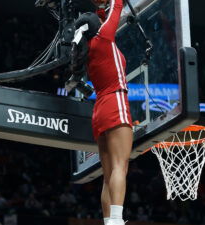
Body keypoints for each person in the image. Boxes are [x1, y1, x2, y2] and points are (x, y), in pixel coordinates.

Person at [74, 0, 133, 224]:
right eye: (100, 20)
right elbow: (117, 5)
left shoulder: (89, 49)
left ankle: (109, 221)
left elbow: (103, 14)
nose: (103, 20)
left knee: (108, 176)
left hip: (99, 111)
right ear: (97, 26)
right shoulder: (104, 37)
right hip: (115, 101)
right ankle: (117, 220)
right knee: (120, 166)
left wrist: (99, 7)